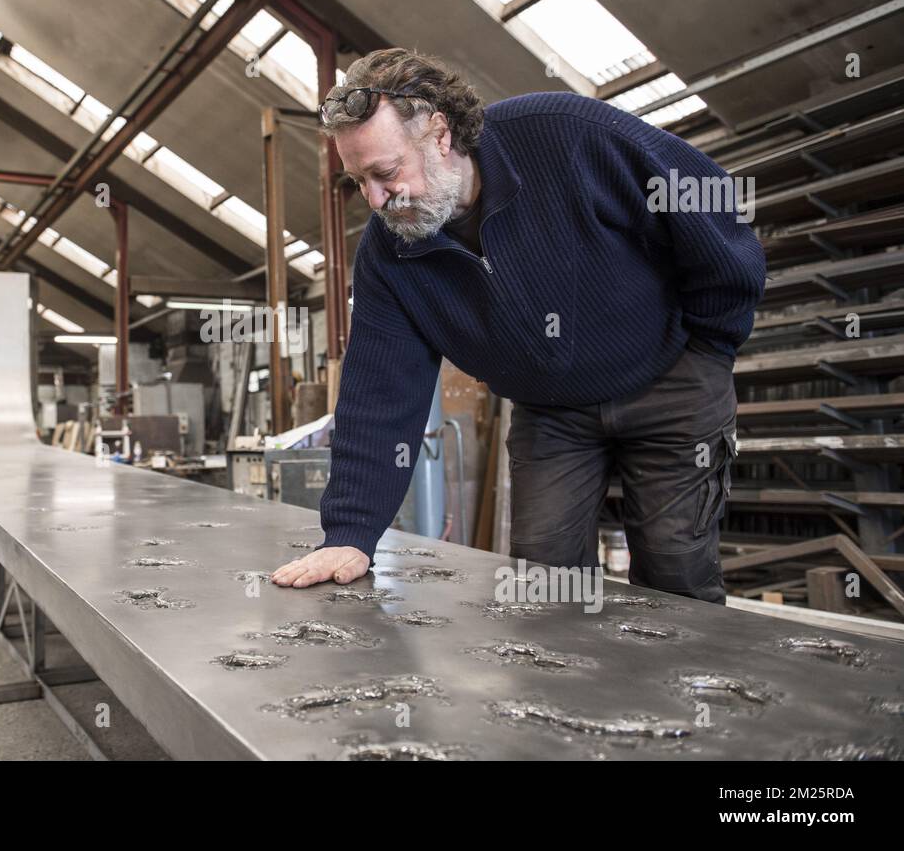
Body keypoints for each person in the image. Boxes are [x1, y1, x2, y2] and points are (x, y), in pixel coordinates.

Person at [270, 48, 766, 604]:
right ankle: (576, 692)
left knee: (678, 574)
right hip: (552, 412)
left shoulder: (566, 135)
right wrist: (351, 534)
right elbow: (380, 392)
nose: (376, 199)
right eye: (358, 181)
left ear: (439, 135)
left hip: (671, 382)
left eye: (385, 174)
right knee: (544, 582)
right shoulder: (391, 254)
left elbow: (710, 205)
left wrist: (711, 344)